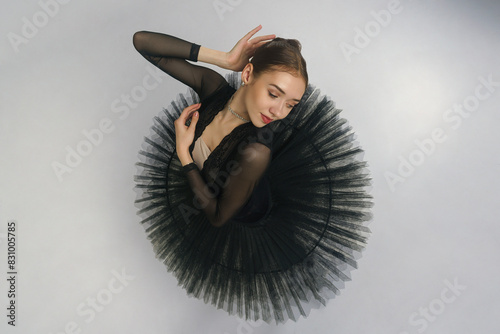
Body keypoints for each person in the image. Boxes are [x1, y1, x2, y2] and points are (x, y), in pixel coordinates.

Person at [133, 25, 373, 324]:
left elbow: (219, 217)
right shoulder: (213, 88)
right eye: (274, 94)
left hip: (242, 210)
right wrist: (225, 59)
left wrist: (185, 155)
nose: (278, 111)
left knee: (271, 260)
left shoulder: (255, 150)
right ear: (247, 75)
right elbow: (143, 42)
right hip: (214, 186)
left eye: (290, 104)